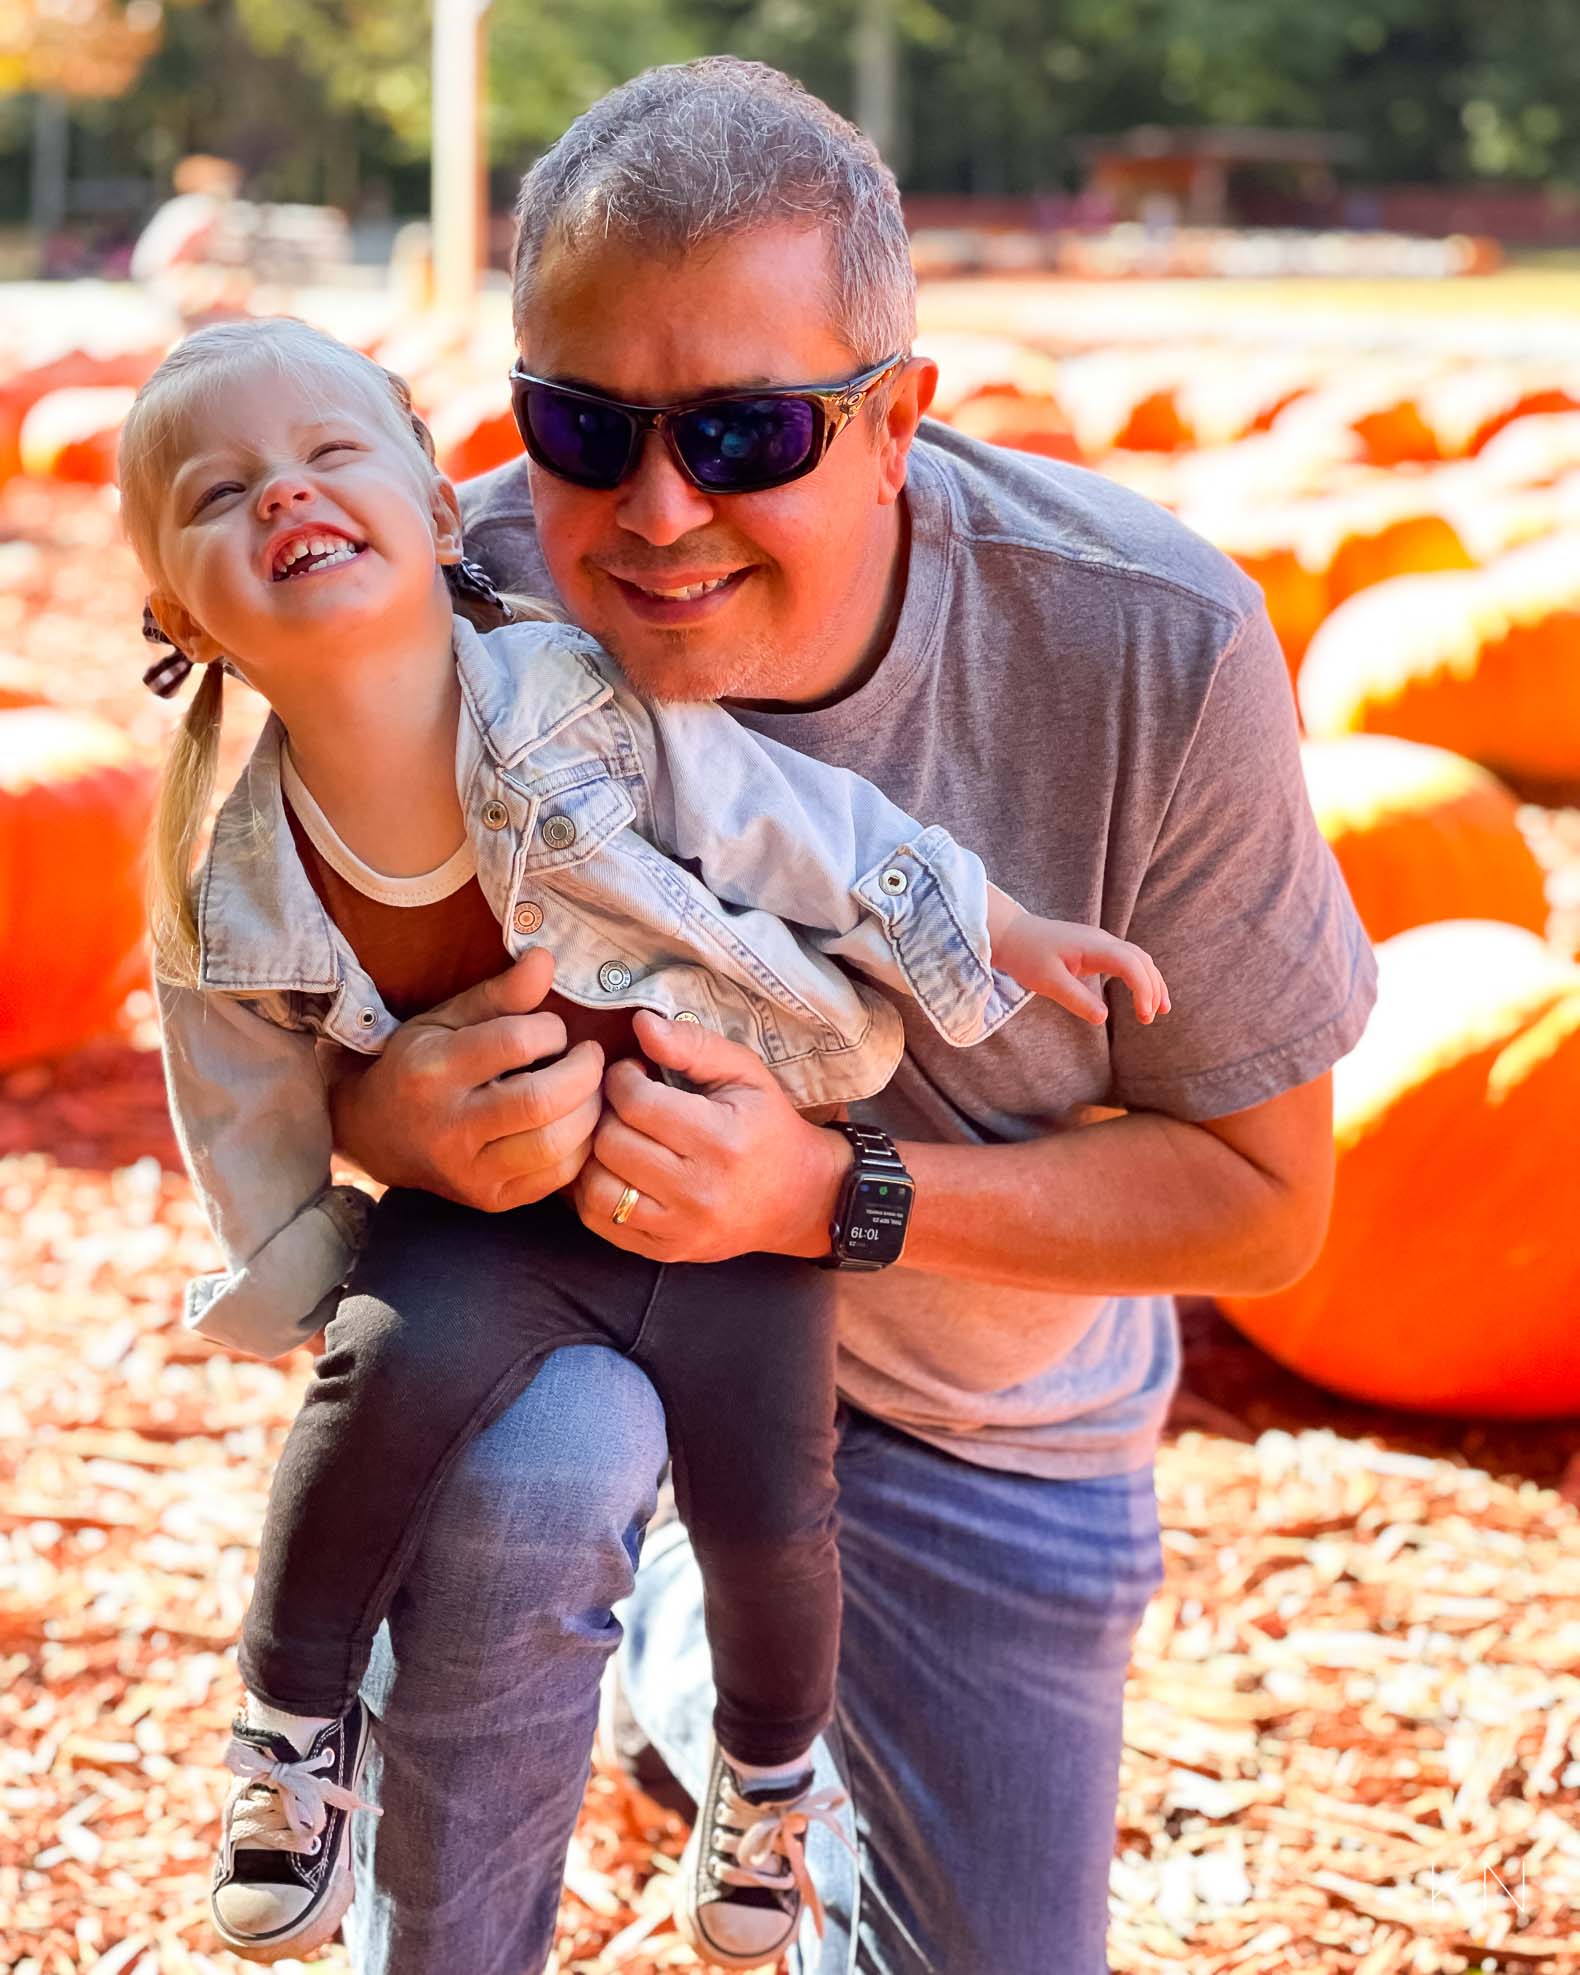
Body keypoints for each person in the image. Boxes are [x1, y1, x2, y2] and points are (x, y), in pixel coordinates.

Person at [327, 58, 1375, 1975]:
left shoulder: (1154, 646)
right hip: (582, 1325)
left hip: (981, 1415)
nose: (652, 511)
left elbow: (1264, 1200)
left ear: (896, 423)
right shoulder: (429, 604)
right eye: (581, 423)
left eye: (743, 434)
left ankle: (697, 1658)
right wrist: (389, 1114)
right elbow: (261, 1009)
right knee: (519, 1482)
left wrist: (825, 1191)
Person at [120, 314, 1171, 1967]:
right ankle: (287, 1738)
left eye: (329, 457)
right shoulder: (225, 877)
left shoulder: (561, 693)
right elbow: (237, 1094)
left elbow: (778, 815)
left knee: (771, 1516)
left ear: (430, 488)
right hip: (496, 1222)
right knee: (368, 1394)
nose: (284, 499)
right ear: (180, 614)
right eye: (220, 492)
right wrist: (306, 1255)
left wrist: (992, 927)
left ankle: (764, 1783)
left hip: (724, 1188)